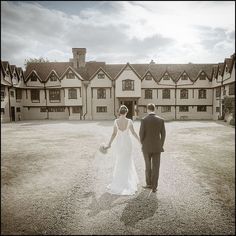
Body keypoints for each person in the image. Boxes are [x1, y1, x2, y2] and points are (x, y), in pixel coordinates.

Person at [105, 105, 140, 195]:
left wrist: (109, 144)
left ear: (119, 112)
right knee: (128, 161)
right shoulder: (129, 121)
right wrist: (140, 141)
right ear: (126, 112)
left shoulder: (116, 121)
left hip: (119, 143)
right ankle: (128, 181)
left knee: (120, 160)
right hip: (128, 143)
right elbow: (133, 133)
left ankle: (120, 181)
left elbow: (114, 134)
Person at [139, 103, 166, 193]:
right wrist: (160, 145)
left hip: (146, 147)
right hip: (157, 147)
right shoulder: (161, 120)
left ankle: (148, 184)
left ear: (148, 109)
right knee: (156, 166)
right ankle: (154, 186)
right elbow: (163, 135)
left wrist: (143, 143)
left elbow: (141, 134)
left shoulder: (144, 120)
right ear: (154, 109)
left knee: (147, 166)